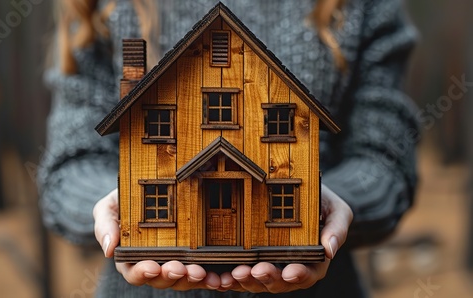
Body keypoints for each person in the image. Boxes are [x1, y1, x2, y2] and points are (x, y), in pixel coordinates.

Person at [38, 0, 419, 297]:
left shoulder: (363, 5)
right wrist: (121, 208)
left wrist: (322, 207)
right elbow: (71, 163)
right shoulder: (100, 7)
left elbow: (384, 154)